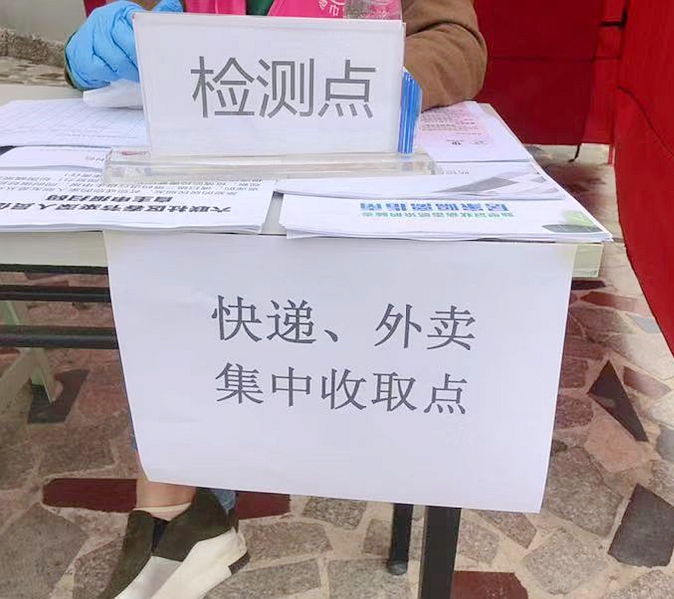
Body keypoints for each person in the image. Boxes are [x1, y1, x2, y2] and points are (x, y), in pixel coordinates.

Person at [65, 1, 486, 596]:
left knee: (284, 307)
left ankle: (184, 516)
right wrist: (98, 51)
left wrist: (356, 77)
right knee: (170, 267)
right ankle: (179, 511)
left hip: (345, 178)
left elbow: (457, 43)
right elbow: (142, 33)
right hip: (211, 166)